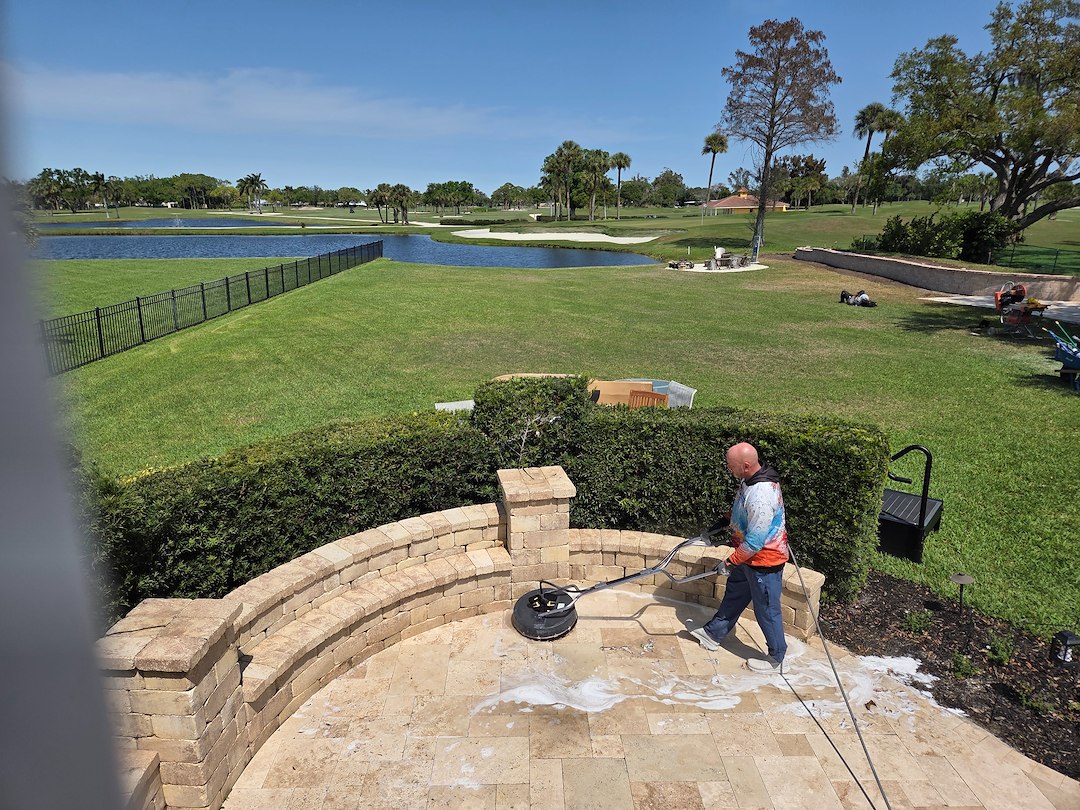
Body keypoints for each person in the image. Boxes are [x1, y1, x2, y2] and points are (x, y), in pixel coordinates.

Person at [690, 442, 790, 672]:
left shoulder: (761, 495)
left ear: (746, 466)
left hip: (765, 561)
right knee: (735, 595)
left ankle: (777, 658)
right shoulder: (750, 479)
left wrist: (729, 562)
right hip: (749, 558)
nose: (728, 468)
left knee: (766, 609)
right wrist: (725, 520)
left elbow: (755, 541)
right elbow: (742, 509)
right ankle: (713, 634)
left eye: (731, 465)